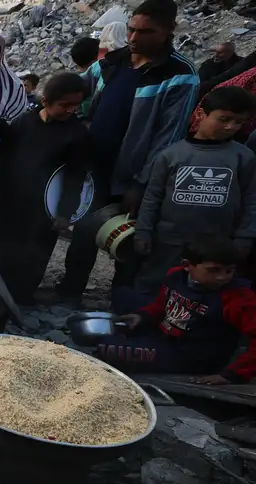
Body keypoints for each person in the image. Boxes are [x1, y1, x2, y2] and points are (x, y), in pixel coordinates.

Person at [61, 0, 199, 302]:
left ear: (168, 31)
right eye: (132, 30)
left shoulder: (179, 74)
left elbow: (169, 137)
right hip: (94, 165)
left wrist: (141, 182)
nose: (134, 38)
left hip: (135, 173)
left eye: (145, 32)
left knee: (129, 238)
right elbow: (76, 94)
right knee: (85, 230)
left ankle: (122, 301)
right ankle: (70, 290)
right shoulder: (111, 63)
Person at [133, 86, 256, 297]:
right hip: (170, 241)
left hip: (218, 245)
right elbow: (153, 196)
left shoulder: (243, 158)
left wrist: (244, 238)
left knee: (206, 294)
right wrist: (143, 230)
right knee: (155, 285)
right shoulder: (171, 155)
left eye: (238, 122)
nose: (231, 127)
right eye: (224, 119)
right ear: (201, 114)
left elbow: (251, 200)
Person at [0, 73, 91, 305]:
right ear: (45, 101)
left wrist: (65, 212)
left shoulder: (76, 134)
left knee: (35, 253)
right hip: (13, 199)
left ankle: (21, 297)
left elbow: (75, 176)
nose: (70, 110)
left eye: (76, 105)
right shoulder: (24, 122)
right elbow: (6, 159)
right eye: (64, 105)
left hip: (46, 207)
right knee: (5, 247)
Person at [99, 234, 256, 385]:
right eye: (213, 270)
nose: (223, 277)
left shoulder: (238, 298)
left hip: (191, 357)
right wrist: (142, 316)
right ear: (187, 266)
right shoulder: (176, 276)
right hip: (165, 335)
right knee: (123, 295)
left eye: (229, 271)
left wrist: (233, 374)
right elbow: (162, 304)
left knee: (108, 348)